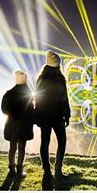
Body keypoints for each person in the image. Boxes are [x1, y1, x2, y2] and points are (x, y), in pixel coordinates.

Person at [35, 50, 71, 181]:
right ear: (56, 64)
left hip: (45, 116)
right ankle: (57, 170)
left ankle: (47, 171)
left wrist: (37, 117)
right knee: (62, 141)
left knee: (45, 142)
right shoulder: (60, 78)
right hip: (57, 116)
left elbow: (37, 99)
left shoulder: (41, 78)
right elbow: (65, 99)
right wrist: (67, 115)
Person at [1, 70, 34, 177]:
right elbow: (31, 111)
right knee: (22, 147)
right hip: (24, 125)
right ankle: (19, 168)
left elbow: (4, 110)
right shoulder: (28, 94)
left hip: (12, 124)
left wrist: (13, 116)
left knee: (12, 147)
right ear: (24, 80)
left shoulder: (8, 93)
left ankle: (11, 168)